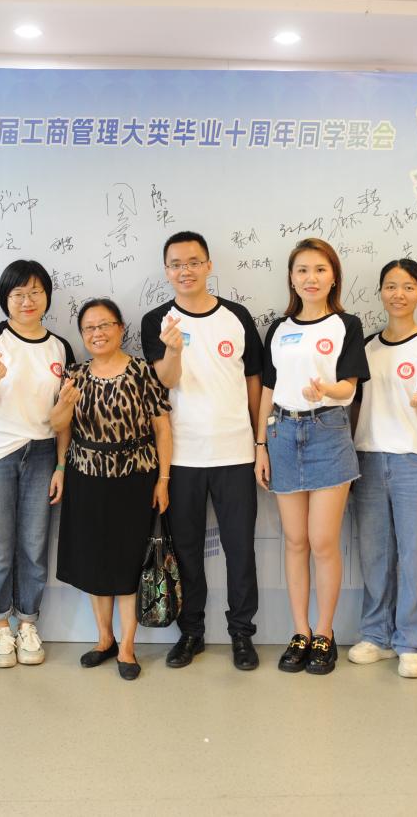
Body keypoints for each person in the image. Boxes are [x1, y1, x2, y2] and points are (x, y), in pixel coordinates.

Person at [141, 231, 262, 672]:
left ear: (209, 265)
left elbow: (253, 379)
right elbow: (165, 381)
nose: (185, 271)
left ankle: (241, 634)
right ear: (166, 271)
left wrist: (259, 441)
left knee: (239, 550)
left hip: (235, 453)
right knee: (188, 550)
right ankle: (191, 631)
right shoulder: (157, 320)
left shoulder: (237, 316)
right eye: (176, 264)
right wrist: (173, 349)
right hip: (182, 457)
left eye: (193, 262)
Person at [255, 238, 368, 676]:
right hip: (282, 433)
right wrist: (260, 445)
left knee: (322, 541)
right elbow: (268, 388)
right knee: (295, 541)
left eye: (320, 269)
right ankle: (300, 631)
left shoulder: (346, 325)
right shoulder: (279, 328)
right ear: (291, 277)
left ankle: (325, 632)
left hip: (328, 431)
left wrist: (325, 390)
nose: (311, 278)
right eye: (302, 270)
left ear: (334, 276)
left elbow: (350, 387)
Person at [0, 260, 73, 668]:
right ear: (5, 299)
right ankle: (0, 628)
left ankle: (28, 624)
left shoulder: (60, 346)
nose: (28, 301)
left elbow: (63, 416)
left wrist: (61, 466)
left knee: (34, 546)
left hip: (42, 454)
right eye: (18, 294)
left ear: (47, 297)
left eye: (35, 292)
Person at [53, 298, 172, 681]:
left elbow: (162, 429)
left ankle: (127, 646)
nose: (97, 333)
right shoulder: (75, 374)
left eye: (105, 325)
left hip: (135, 478)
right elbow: (60, 426)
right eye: (89, 328)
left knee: (128, 563)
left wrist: (163, 479)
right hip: (86, 477)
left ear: (121, 328)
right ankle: (104, 639)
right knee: (95, 562)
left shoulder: (141, 371)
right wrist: (60, 466)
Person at [348, 259, 417, 679]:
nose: (398, 294)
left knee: (414, 556)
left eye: (407, 287)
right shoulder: (365, 347)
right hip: (369, 459)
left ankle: (410, 641)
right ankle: (376, 635)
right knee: (375, 555)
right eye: (390, 286)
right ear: (380, 292)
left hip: (414, 461)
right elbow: (354, 403)